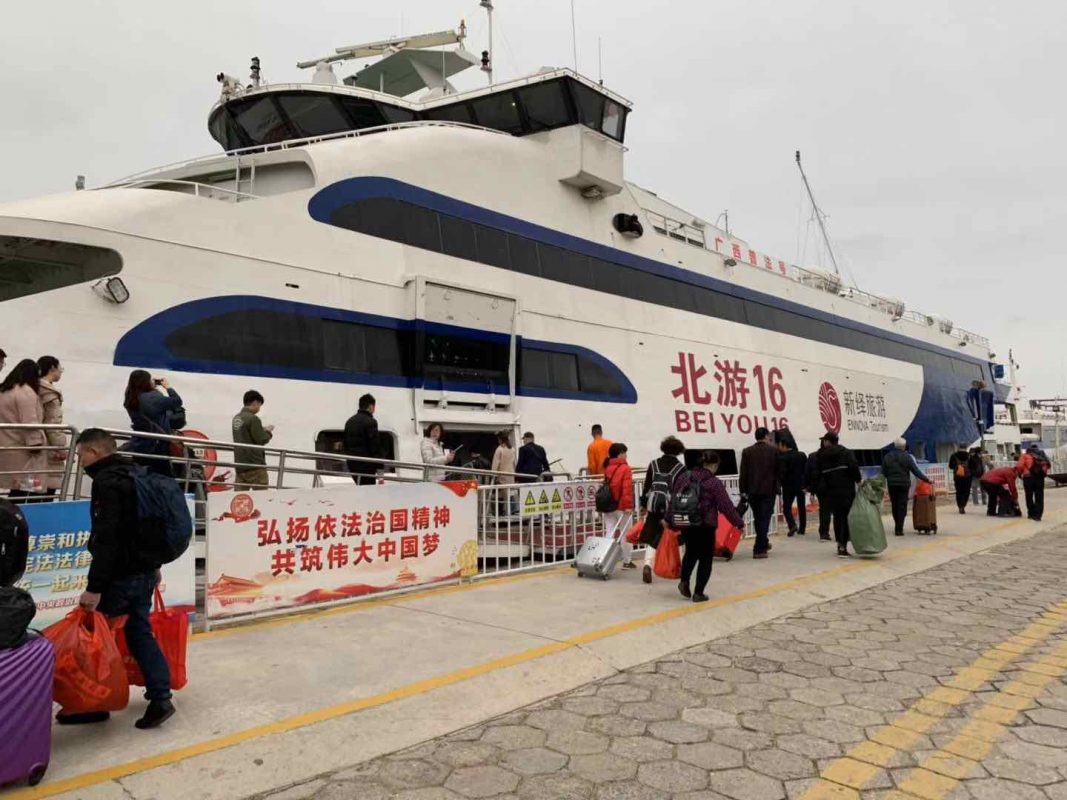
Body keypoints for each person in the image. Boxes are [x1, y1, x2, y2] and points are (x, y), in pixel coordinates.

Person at [71, 429, 175, 729]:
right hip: (143, 571)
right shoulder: (134, 474)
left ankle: (96, 704)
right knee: (139, 631)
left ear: (95, 452)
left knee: (96, 639)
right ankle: (160, 697)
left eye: (81, 456)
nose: (79, 462)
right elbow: (147, 526)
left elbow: (108, 539)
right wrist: (154, 565)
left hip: (120, 576)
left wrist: (94, 588)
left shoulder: (107, 482)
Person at [673, 451, 746, 603]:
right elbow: (726, 506)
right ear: (713, 465)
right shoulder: (713, 482)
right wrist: (739, 523)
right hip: (705, 524)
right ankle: (698, 593)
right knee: (705, 558)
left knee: (690, 553)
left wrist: (669, 520)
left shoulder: (684, 477)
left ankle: (684, 581)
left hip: (687, 522)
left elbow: (675, 499)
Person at [639, 435, 686, 584]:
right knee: (678, 538)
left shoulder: (653, 465)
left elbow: (647, 487)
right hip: (671, 508)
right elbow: (683, 491)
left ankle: (647, 565)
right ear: (678, 451)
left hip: (654, 506)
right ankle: (680, 568)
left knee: (654, 537)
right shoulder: (680, 468)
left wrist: (643, 505)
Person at [0, 359, 46, 499]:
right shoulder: (26, 392)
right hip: (25, 450)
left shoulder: (4, 390)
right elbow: (30, 420)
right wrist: (36, 444)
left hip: (6, 445)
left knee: (15, 487)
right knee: (27, 490)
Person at [124, 370, 183, 476]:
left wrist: (152, 387)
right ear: (145, 382)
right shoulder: (152, 398)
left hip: (139, 443)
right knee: (161, 476)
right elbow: (177, 401)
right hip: (157, 445)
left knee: (141, 475)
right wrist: (167, 387)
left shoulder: (130, 397)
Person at [815, 431, 862, 557]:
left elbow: (818, 473)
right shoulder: (847, 453)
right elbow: (854, 468)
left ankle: (839, 544)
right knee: (846, 517)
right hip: (847, 490)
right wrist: (858, 481)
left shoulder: (821, 455)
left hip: (830, 491)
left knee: (837, 517)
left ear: (827, 441)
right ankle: (843, 546)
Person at [739, 427, 779, 559]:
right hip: (769, 490)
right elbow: (778, 472)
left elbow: (743, 474)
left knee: (758, 518)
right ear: (766, 436)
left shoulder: (747, 451)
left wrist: (743, 491)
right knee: (765, 518)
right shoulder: (774, 451)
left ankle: (764, 542)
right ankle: (759, 548)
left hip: (752, 491)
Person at [881, 438, 933, 536]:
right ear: (904, 446)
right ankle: (899, 528)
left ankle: (897, 525)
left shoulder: (887, 457)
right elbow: (916, 471)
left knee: (895, 505)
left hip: (892, 484)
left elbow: (883, 472)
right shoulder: (907, 457)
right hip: (903, 484)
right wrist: (927, 479)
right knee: (902, 506)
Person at [602, 442, 636, 569]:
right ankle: (627, 560)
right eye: (625, 452)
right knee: (626, 533)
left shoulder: (608, 467)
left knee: (609, 532)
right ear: (620, 453)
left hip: (608, 505)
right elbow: (626, 489)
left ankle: (603, 558)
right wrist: (628, 506)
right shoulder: (625, 468)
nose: (626, 455)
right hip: (621, 506)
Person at [36, 356, 66, 495]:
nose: (61, 372)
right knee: (47, 487)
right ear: (52, 368)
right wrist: (60, 447)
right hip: (48, 446)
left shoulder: (34, 387)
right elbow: (53, 423)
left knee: (31, 487)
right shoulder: (50, 393)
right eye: (61, 369)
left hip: (35, 443)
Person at [232, 390, 274, 489]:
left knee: (241, 498)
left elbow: (245, 434)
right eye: (259, 405)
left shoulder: (236, 418)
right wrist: (268, 432)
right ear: (255, 402)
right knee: (261, 498)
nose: (259, 408)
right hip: (255, 465)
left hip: (240, 465)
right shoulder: (253, 419)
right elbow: (261, 439)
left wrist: (260, 429)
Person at [344, 393, 381, 485]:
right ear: (371, 406)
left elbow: (346, 444)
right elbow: (375, 447)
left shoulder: (349, 421)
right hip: (366, 467)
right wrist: (380, 468)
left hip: (352, 465)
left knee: (361, 489)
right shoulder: (371, 422)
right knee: (369, 492)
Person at [778, 435, 808, 537]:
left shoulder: (782, 457)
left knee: (786, 507)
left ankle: (792, 525)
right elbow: (806, 470)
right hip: (801, 485)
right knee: (801, 507)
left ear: (784, 445)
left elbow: (782, 473)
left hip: (788, 486)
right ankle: (802, 528)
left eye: (780, 445)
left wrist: (780, 484)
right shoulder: (802, 455)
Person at [805, 436, 832, 541]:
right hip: (830, 486)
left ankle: (823, 531)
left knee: (823, 508)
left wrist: (809, 488)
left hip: (818, 487)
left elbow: (808, 473)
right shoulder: (831, 456)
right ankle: (825, 532)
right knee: (828, 509)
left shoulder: (812, 456)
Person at [1017, 444, 1049, 521]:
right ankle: (1038, 515)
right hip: (1040, 478)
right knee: (1039, 497)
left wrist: (1019, 474)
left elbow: (1020, 466)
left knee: (1029, 496)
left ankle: (1031, 514)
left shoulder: (1025, 456)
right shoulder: (1042, 455)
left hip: (1028, 478)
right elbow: (1047, 466)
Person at [948, 444, 972, 514]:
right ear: (966, 448)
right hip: (967, 477)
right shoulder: (969, 456)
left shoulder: (953, 455)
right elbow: (973, 466)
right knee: (966, 491)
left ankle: (960, 506)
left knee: (959, 491)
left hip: (957, 477)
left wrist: (957, 467)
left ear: (959, 448)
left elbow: (950, 466)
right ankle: (964, 504)